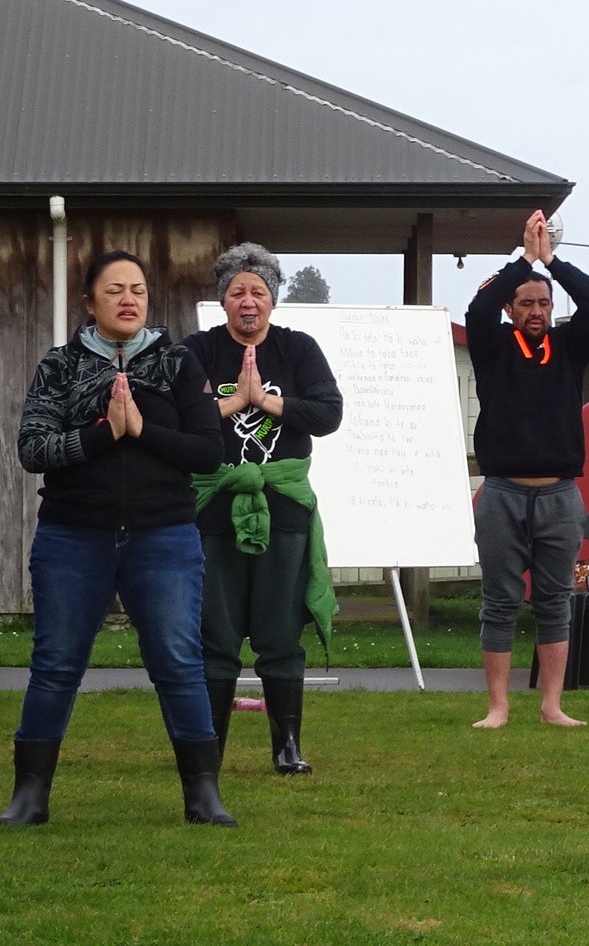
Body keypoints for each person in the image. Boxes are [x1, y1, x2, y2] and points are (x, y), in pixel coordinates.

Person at [7, 250, 232, 828]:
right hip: (72, 536)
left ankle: (203, 796)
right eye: (114, 290)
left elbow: (209, 452)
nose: (129, 299)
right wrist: (105, 432)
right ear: (89, 303)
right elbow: (33, 450)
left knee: (179, 663)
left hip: (164, 537)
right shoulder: (59, 365)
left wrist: (143, 429)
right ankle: (29, 797)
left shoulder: (178, 364)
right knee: (56, 664)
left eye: (137, 289)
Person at [183, 242, 344, 775]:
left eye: (257, 291)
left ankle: (287, 747)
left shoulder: (298, 349)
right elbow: (175, 416)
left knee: (278, 634)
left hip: (284, 513)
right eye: (237, 292)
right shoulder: (198, 350)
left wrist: (269, 401)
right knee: (217, 636)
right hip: (213, 514)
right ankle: (210, 751)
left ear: (272, 300)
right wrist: (235, 401)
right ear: (223, 300)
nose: (247, 302)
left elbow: (328, 412)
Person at [464, 210, 589, 731]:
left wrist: (552, 261)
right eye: (525, 302)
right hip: (502, 493)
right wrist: (523, 260)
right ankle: (498, 707)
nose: (535, 310)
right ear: (512, 308)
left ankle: (551, 705)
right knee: (499, 601)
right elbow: (478, 307)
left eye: (543, 303)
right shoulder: (492, 345)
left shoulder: (570, 348)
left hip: (559, 495)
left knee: (555, 601)